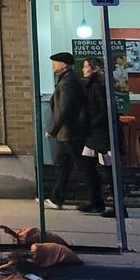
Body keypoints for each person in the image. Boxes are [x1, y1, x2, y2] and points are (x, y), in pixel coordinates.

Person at [45, 51, 89, 211]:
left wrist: (53, 129)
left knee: (82, 166)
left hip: (70, 132)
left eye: (55, 62)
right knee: (63, 165)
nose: (53, 66)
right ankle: (57, 198)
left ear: (63, 65)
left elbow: (65, 109)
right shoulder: (65, 80)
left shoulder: (68, 82)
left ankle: (96, 198)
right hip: (67, 133)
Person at [79, 56, 110, 216]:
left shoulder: (97, 85)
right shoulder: (91, 85)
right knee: (87, 164)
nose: (83, 70)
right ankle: (96, 201)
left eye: (85, 67)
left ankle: (114, 204)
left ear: (94, 69)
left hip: (101, 134)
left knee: (107, 168)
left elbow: (104, 110)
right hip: (93, 135)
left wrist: (91, 123)